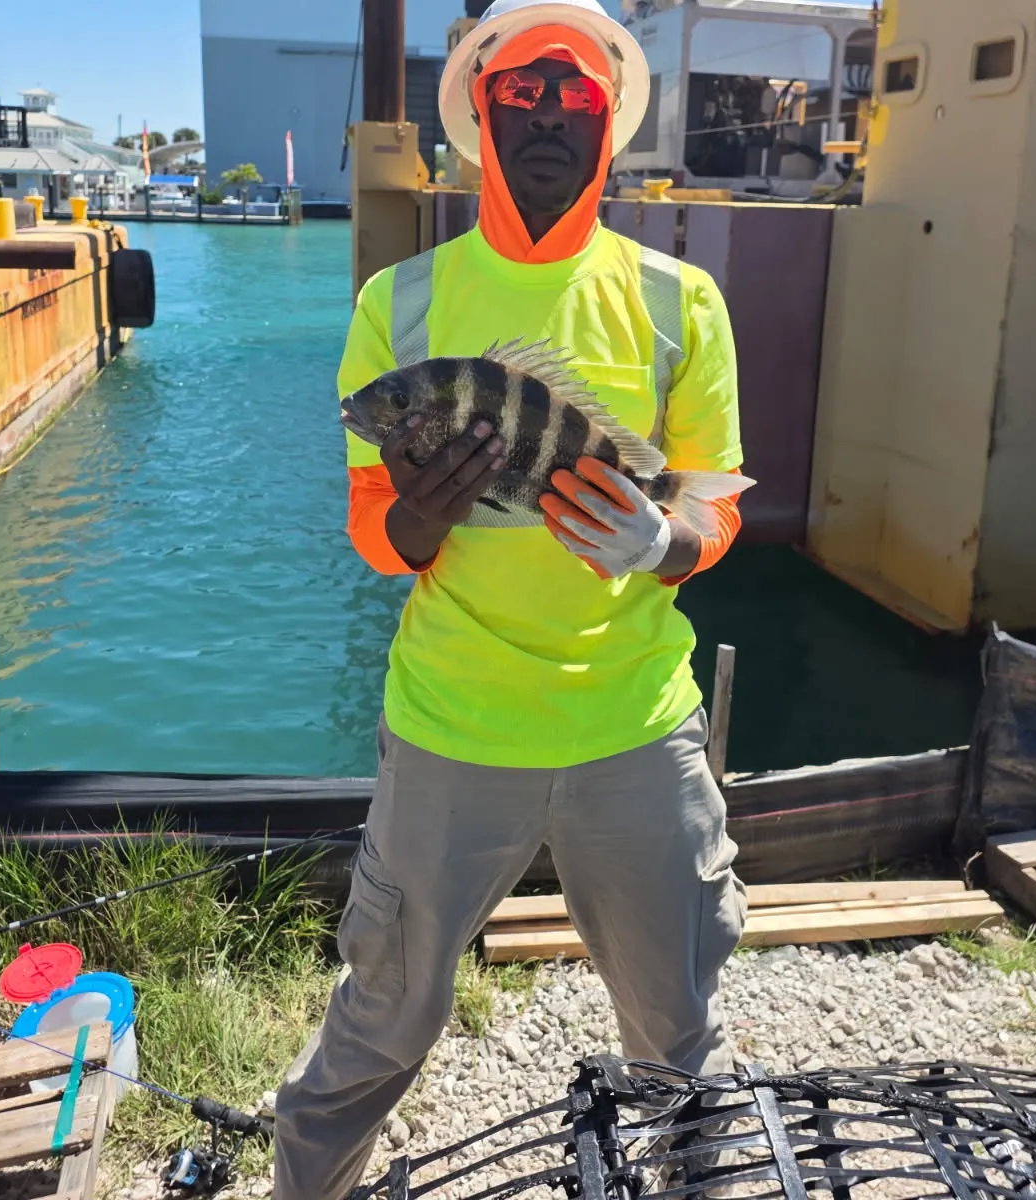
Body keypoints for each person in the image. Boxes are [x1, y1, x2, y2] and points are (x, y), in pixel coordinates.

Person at [274, 2, 751, 1197]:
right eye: (524, 95)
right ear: (481, 117)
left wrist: (661, 543)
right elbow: (374, 537)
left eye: (577, 98)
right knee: (378, 1024)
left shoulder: (678, 300)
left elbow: (716, 516)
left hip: (639, 725)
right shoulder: (402, 303)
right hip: (451, 726)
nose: (548, 116)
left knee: (681, 1035)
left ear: (611, 126)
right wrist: (423, 512)